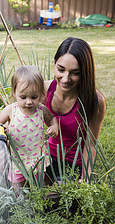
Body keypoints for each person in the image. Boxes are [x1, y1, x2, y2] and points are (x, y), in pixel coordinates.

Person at [44, 37, 106, 184]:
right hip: (46, 157)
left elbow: (90, 145)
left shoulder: (94, 101)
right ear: (54, 63)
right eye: (61, 69)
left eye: (75, 73)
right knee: (29, 189)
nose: (66, 78)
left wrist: (85, 178)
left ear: (85, 72)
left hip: (72, 165)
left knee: (58, 194)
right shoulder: (44, 90)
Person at [0, 65, 58, 187]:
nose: (29, 101)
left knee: (38, 186)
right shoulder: (11, 110)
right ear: (14, 92)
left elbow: (52, 119)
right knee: (18, 187)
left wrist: (54, 127)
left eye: (34, 97)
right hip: (19, 159)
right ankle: (19, 203)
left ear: (41, 94)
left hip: (37, 159)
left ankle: (36, 201)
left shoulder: (41, 110)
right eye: (23, 97)